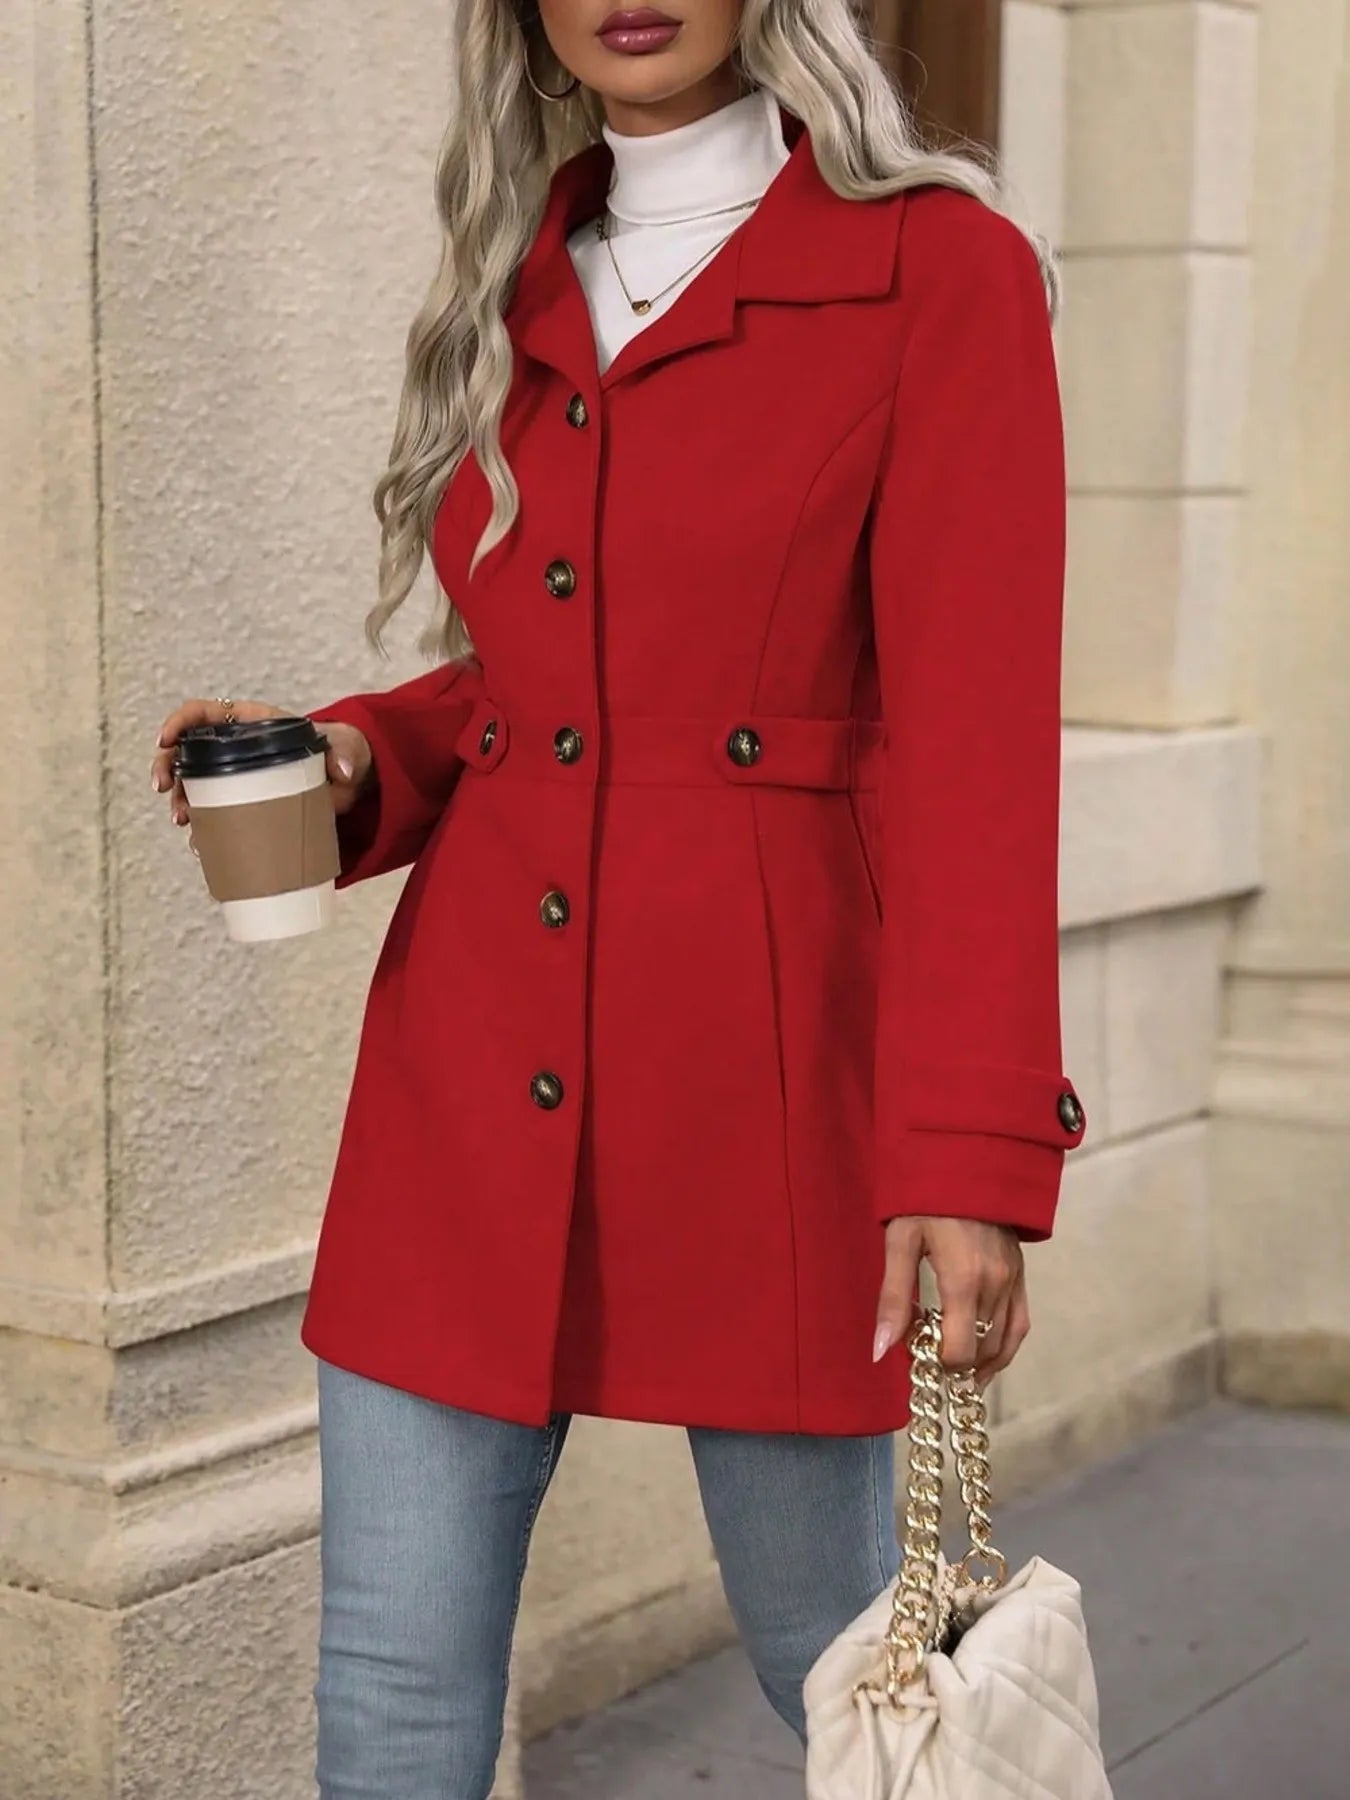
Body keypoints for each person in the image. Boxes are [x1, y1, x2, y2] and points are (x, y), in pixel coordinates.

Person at [153, 2, 1087, 1793]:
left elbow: (973, 750)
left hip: (773, 1082)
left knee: (871, 1688)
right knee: (391, 1696)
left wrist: (967, 1155)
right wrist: (360, 760)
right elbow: (551, 697)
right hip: (467, 1078)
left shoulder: (936, 272)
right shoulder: (517, 278)